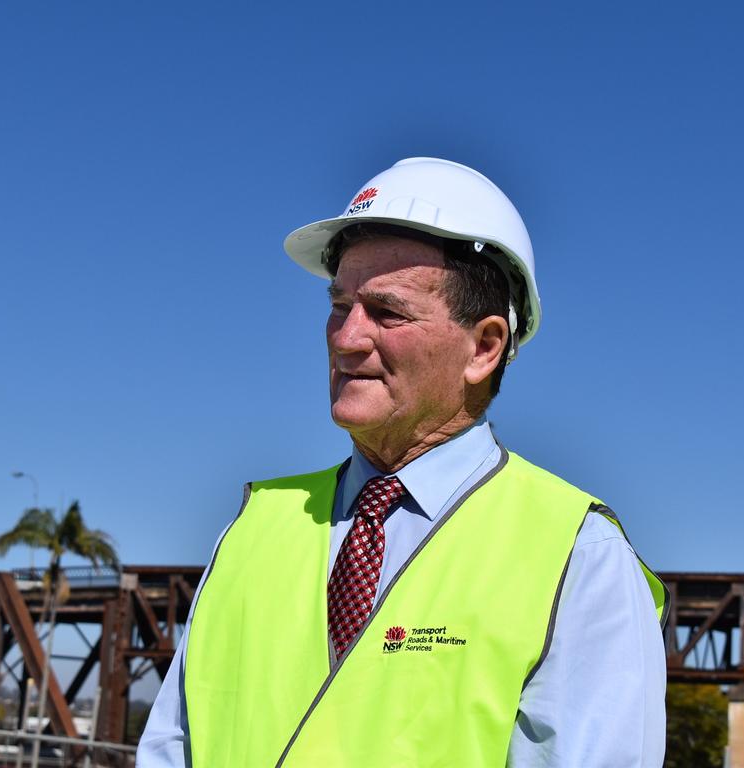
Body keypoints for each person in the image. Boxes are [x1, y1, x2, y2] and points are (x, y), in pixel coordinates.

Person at [138, 157, 668, 767]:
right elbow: (170, 748)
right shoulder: (250, 528)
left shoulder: (579, 555)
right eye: (340, 306)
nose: (345, 338)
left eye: (386, 312)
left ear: (485, 347)